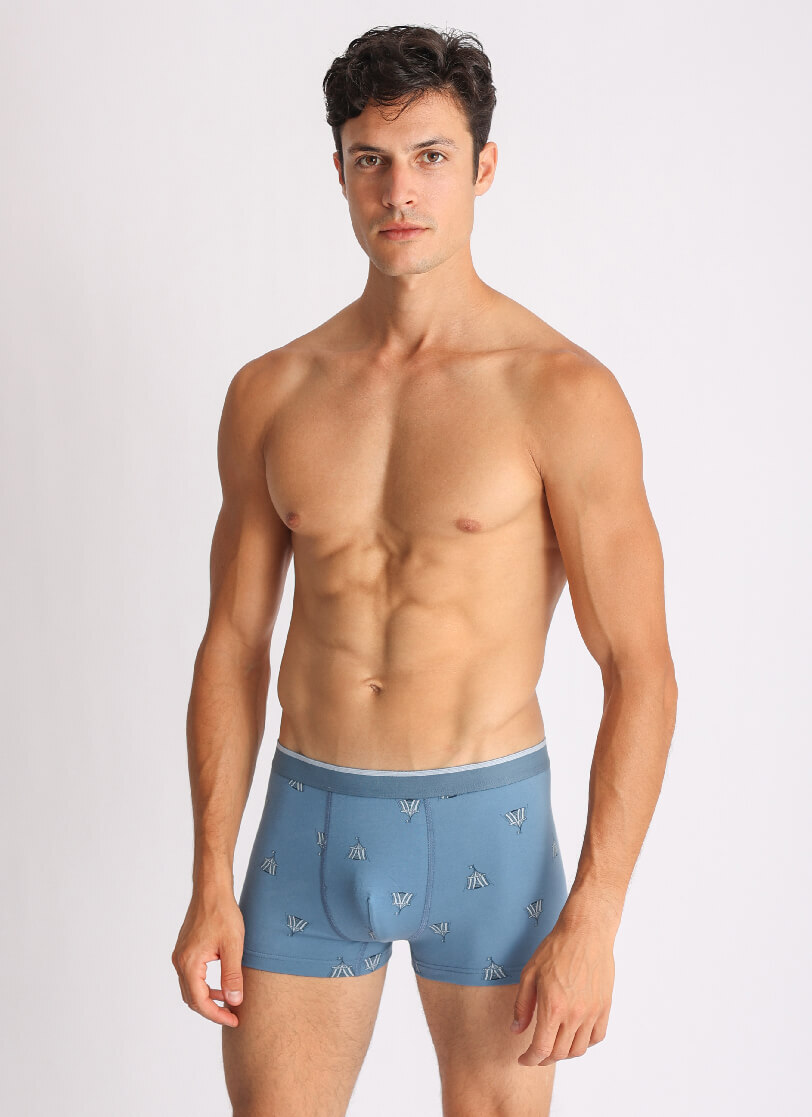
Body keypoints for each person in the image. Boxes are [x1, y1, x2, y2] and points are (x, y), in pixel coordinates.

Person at [172, 23, 678, 1117]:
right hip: (307, 828)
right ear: (340, 172)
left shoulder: (561, 393)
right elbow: (234, 642)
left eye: (431, 156)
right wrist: (209, 874)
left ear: (482, 167)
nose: (398, 190)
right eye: (371, 159)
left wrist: (596, 916)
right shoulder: (273, 392)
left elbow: (639, 666)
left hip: (491, 832)